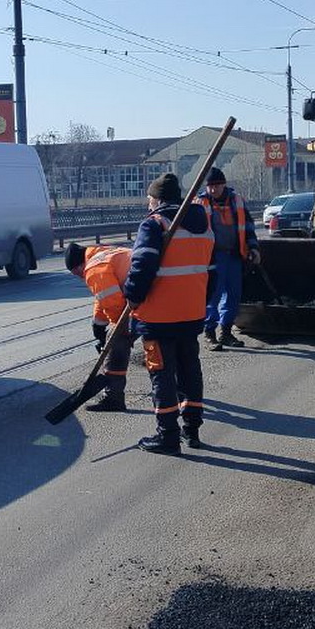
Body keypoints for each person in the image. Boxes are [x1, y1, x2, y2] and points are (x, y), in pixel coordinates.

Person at [123, 172, 215, 455]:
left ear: (158, 199)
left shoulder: (154, 224)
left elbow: (141, 266)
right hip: (191, 313)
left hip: (158, 318)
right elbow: (210, 272)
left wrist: (132, 296)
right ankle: (192, 429)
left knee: (161, 374)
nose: (148, 205)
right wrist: (200, 302)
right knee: (190, 370)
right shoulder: (203, 225)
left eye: (150, 200)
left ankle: (168, 436)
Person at [196, 166, 261, 349]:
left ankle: (225, 332)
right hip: (212, 258)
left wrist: (253, 248)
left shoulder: (237, 201)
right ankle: (210, 333)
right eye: (210, 186)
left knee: (233, 295)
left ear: (224, 185)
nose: (213, 189)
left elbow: (248, 227)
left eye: (216, 186)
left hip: (234, 256)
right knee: (212, 296)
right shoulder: (200, 203)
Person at [65, 240, 133, 412]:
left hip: (149, 301)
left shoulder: (94, 267)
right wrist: (98, 325)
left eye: (76, 273)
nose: (80, 277)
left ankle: (113, 398)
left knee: (116, 343)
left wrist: (113, 332)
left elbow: (114, 305)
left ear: (79, 266)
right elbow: (103, 297)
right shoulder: (105, 253)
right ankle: (179, 392)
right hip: (160, 294)